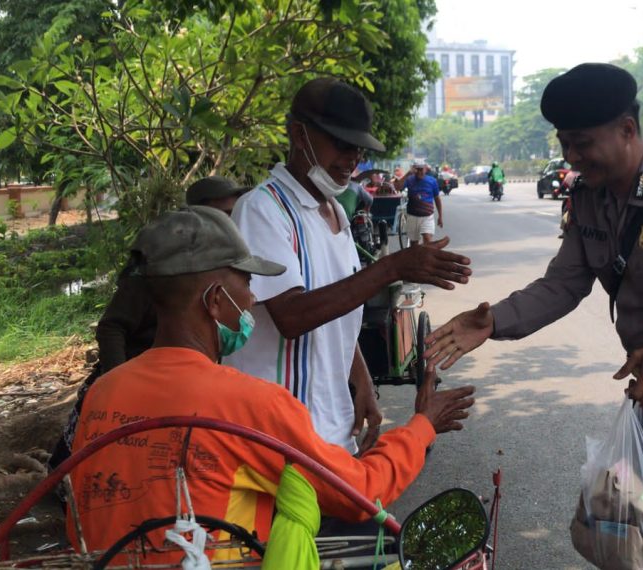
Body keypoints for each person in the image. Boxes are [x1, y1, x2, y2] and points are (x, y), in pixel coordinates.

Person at [424, 63, 643, 570]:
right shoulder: (589, 201)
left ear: (627, 131)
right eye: (565, 143)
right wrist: (493, 321)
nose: (571, 156)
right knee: (640, 541)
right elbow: (564, 283)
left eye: (582, 143)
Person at [67, 206, 476, 565]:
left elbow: (82, 512)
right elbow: (360, 492)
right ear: (214, 300)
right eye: (246, 282)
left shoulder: (103, 393)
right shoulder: (250, 403)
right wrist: (422, 425)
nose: (251, 298)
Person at [226, 78, 471, 453]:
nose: (353, 158)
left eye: (358, 148)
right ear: (297, 134)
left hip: (332, 431)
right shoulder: (263, 210)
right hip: (280, 442)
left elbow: (338, 312)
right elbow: (291, 316)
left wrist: (361, 379)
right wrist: (392, 268)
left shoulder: (336, 211)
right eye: (341, 144)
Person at [48, 175, 250, 470]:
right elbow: (111, 326)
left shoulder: (219, 268)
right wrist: (120, 383)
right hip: (141, 379)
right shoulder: (162, 269)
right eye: (224, 216)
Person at [403, 159, 443, 245]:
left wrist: (440, 216)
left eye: (421, 169)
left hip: (427, 216)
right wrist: (408, 173)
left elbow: (437, 199)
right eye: (417, 169)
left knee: (428, 241)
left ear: (425, 169)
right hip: (412, 216)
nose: (419, 172)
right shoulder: (409, 180)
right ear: (414, 169)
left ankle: (425, 258)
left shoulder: (432, 181)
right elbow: (397, 187)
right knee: (414, 244)